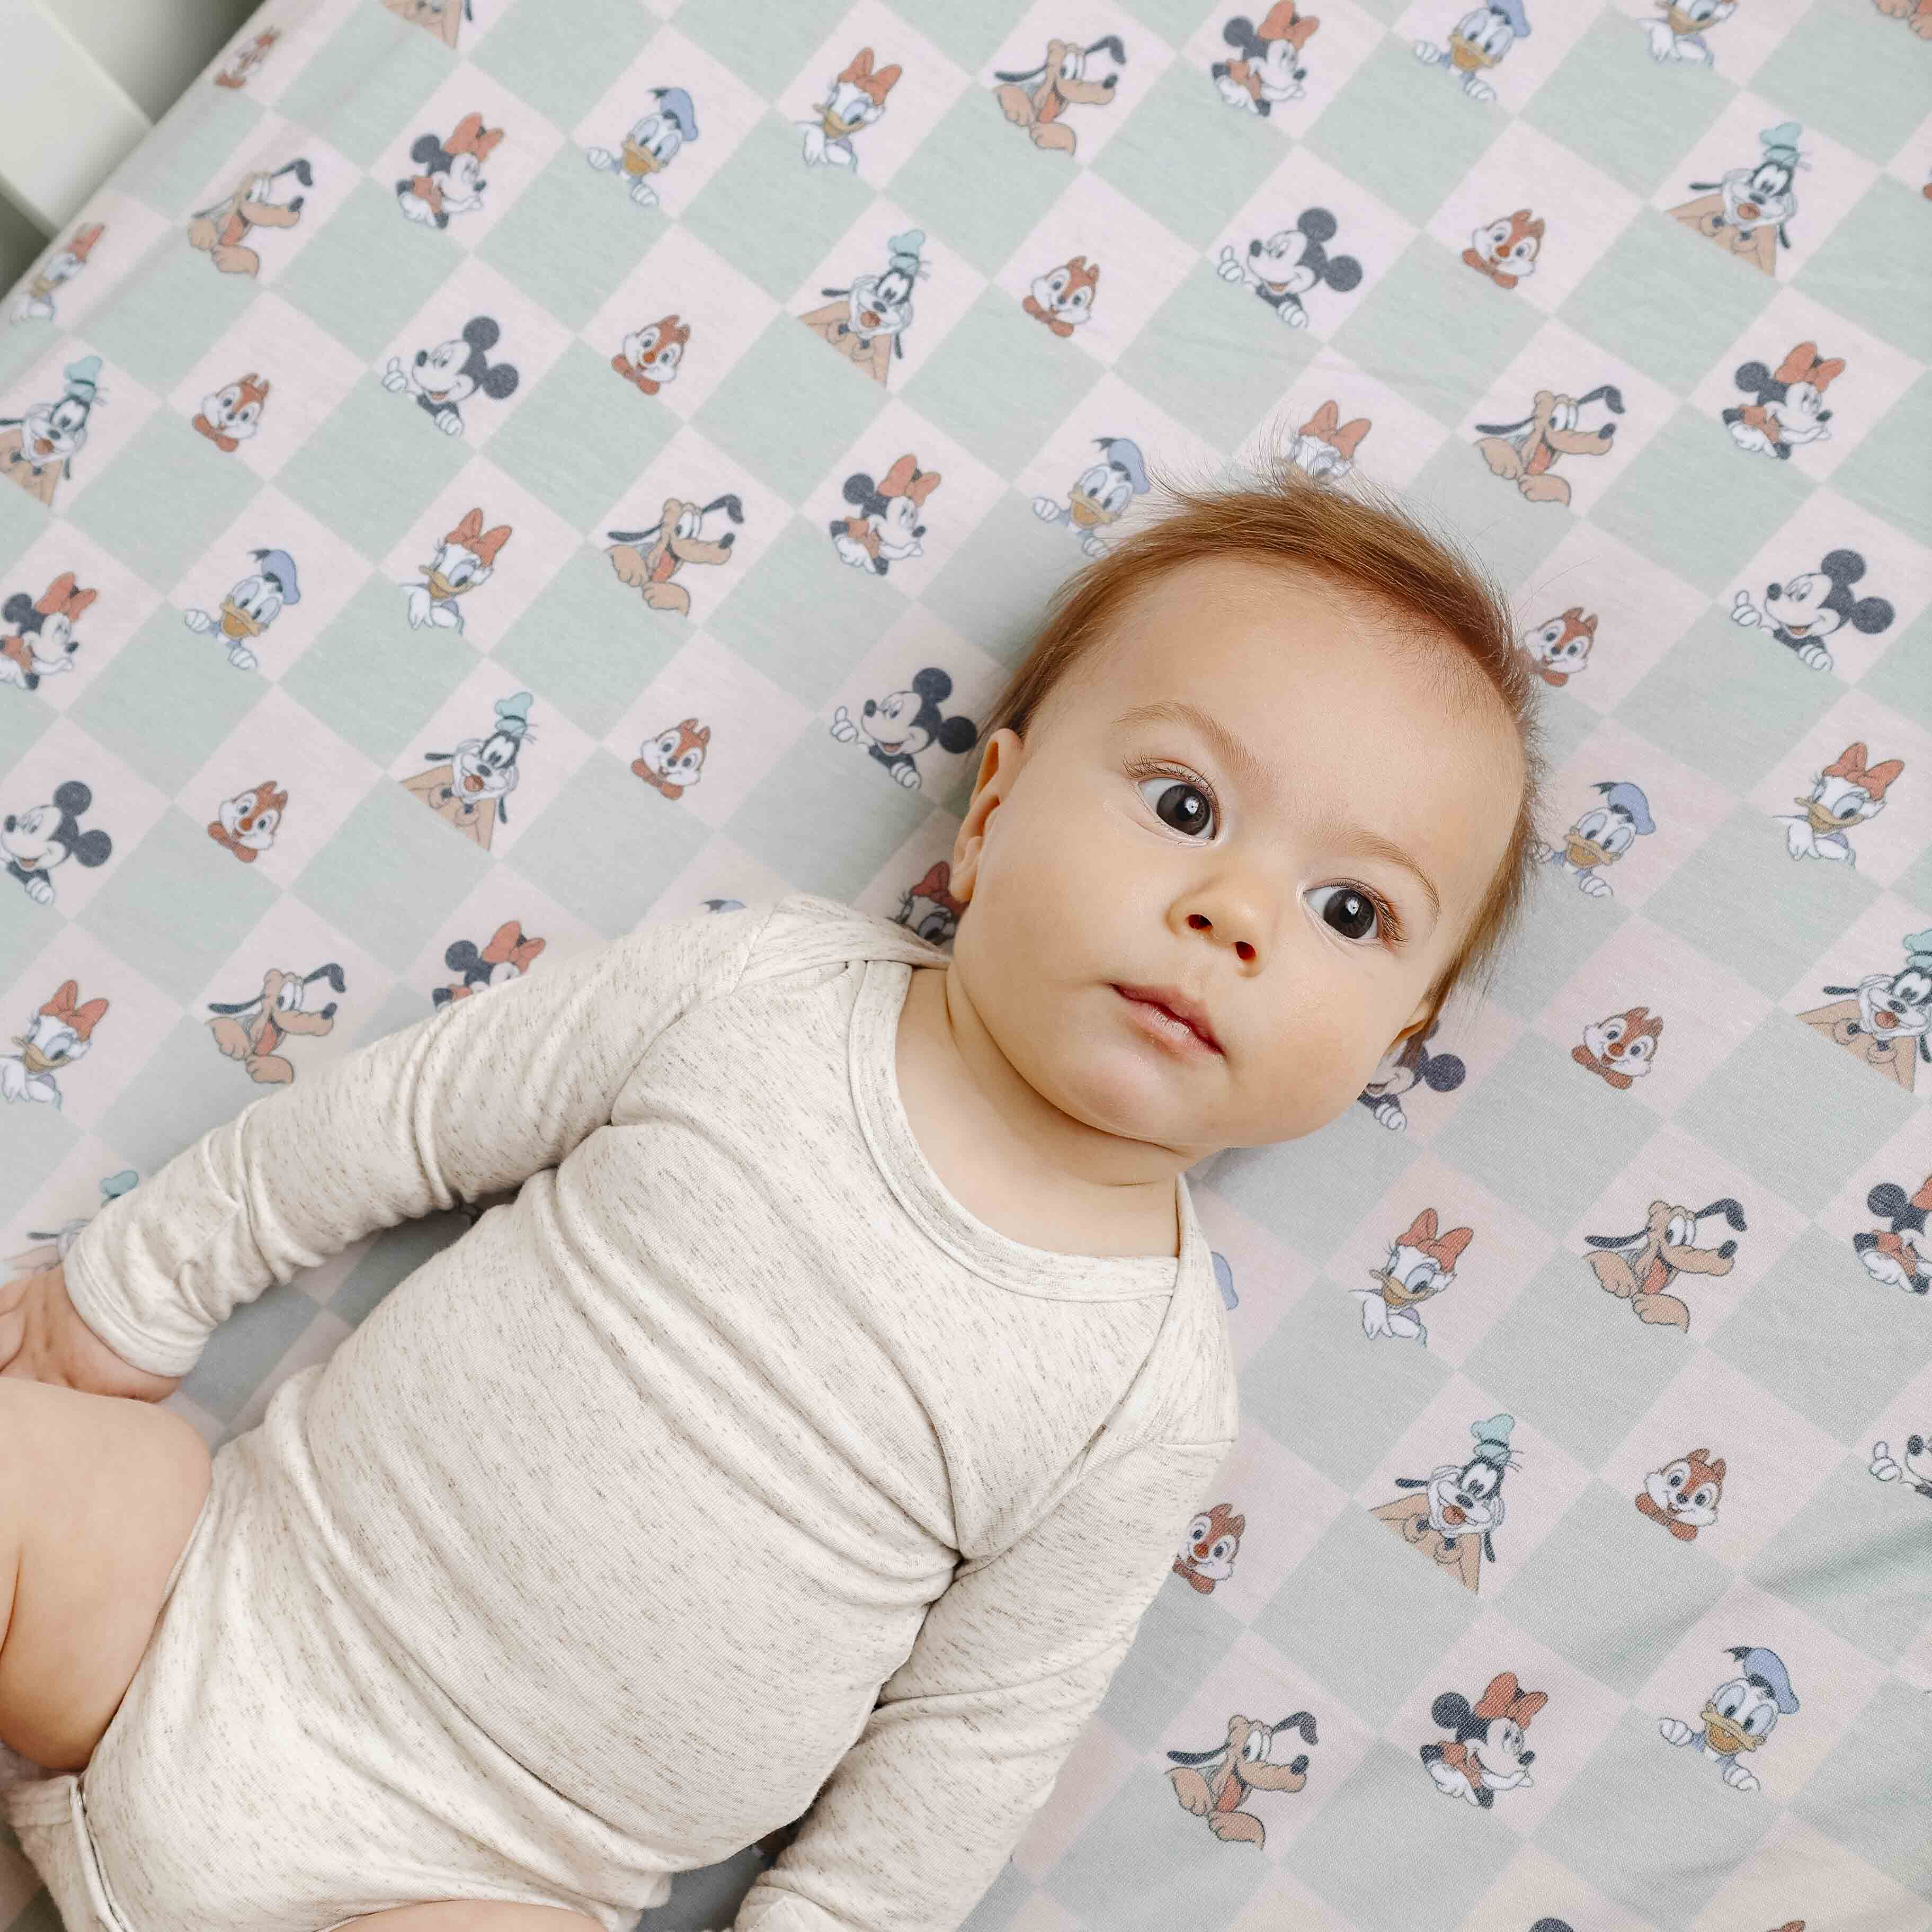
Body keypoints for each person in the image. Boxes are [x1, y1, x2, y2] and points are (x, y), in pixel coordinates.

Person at [0, 453, 1545, 1932]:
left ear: (1396, 1035)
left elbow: (971, 1746)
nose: (1235, 912)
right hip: (199, 1596)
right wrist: (124, 1294)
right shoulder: (759, 993)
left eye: (1353, 911)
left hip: (485, 1876)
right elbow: (410, 1116)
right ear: (991, 816)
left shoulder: (1144, 1399)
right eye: (1186, 806)